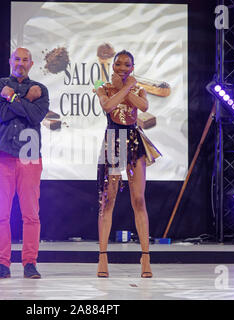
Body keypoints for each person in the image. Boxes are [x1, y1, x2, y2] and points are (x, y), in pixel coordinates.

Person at [95, 50, 161, 278]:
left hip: (133, 141)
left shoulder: (138, 88)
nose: (122, 68)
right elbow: (108, 107)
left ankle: (145, 258)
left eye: (127, 65)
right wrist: (124, 87)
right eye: (119, 64)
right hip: (113, 140)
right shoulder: (101, 86)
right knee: (108, 199)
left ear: (132, 67)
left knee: (139, 199)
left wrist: (127, 88)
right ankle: (102, 257)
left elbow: (142, 107)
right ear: (113, 66)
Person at [0, 47, 49, 279]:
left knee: (31, 214)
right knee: (0, 214)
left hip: (29, 155)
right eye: (17, 59)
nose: (20, 63)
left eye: (25, 60)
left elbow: (34, 116)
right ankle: (2, 263)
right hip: (2, 155)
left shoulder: (40, 89)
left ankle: (29, 263)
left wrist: (12, 97)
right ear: (10, 61)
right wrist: (25, 101)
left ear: (31, 64)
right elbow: (1, 114)